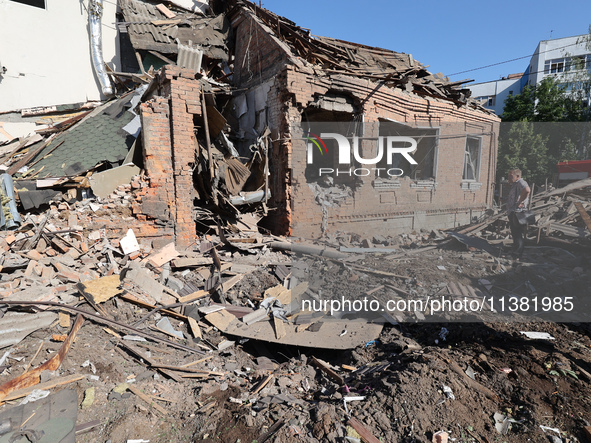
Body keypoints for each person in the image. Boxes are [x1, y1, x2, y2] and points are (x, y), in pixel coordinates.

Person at [506, 169, 531, 259]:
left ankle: (517, 254)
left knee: (517, 234)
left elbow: (527, 190)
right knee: (515, 233)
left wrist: (521, 201)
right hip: (513, 211)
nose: (509, 177)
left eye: (511, 175)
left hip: (517, 212)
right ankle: (516, 251)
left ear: (517, 176)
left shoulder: (521, 182)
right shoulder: (515, 184)